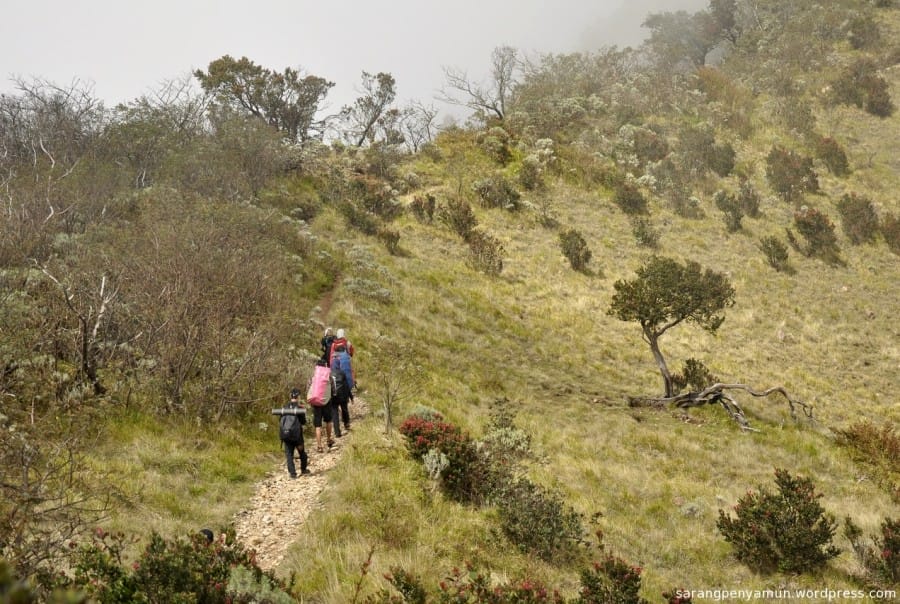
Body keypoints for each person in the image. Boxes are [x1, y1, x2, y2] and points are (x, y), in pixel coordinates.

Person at [281, 388, 310, 477]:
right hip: (297, 435)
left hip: (286, 434)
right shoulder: (299, 408)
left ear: (290, 396)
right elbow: (303, 422)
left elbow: (281, 421)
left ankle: (292, 473)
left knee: (289, 454)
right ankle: (303, 469)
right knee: (302, 452)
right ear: (298, 397)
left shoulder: (284, 408)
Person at [330, 344, 354, 437]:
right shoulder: (342, 373)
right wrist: (351, 397)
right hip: (343, 396)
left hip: (333, 396)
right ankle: (346, 424)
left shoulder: (329, 374)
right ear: (338, 365)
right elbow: (347, 386)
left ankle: (337, 432)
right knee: (344, 409)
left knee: (335, 413)